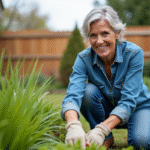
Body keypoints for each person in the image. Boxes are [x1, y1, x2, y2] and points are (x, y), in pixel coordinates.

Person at [61, 5, 150, 149]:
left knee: (142, 143)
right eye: (93, 35)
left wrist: (101, 129)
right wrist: (73, 125)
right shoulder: (83, 59)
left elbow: (128, 101)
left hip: (137, 108)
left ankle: (115, 131)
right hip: (107, 108)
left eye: (105, 33)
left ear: (117, 33)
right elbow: (72, 95)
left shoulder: (134, 54)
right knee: (87, 91)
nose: (99, 41)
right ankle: (107, 139)